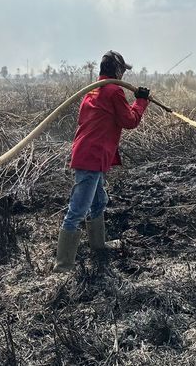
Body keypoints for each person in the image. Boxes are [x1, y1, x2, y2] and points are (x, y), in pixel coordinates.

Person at [53, 50, 151, 272]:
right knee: (78, 209)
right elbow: (129, 121)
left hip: (90, 154)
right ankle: (63, 265)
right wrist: (141, 101)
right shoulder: (113, 90)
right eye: (122, 71)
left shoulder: (94, 90)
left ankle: (99, 245)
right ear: (117, 70)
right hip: (92, 156)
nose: (123, 76)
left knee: (98, 201)